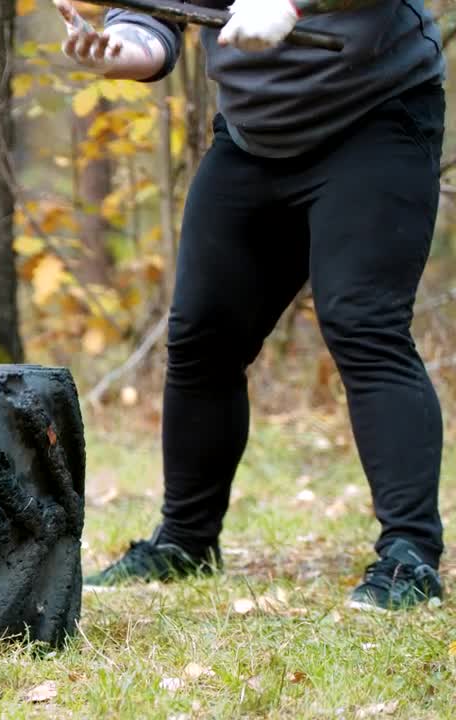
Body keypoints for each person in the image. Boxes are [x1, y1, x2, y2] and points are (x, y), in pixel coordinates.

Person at [56, 0, 448, 610]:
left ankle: (411, 556)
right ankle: (186, 541)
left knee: (362, 322)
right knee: (203, 336)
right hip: (252, 136)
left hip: (374, 117)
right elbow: (156, 20)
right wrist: (123, 52)